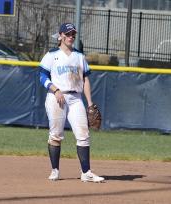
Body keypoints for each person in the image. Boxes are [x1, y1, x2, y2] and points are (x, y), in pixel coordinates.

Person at [38, 23, 104, 183]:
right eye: (67, 34)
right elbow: (42, 76)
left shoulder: (79, 56)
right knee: (56, 135)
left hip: (75, 99)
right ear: (60, 36)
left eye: (73, 34)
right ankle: (55, 170)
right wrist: (55, 90)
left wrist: (89, 103)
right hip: (57, 98)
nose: (71, 37)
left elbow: (86, 79)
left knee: (83, 135)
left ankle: (86, 172)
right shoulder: (51, 54)